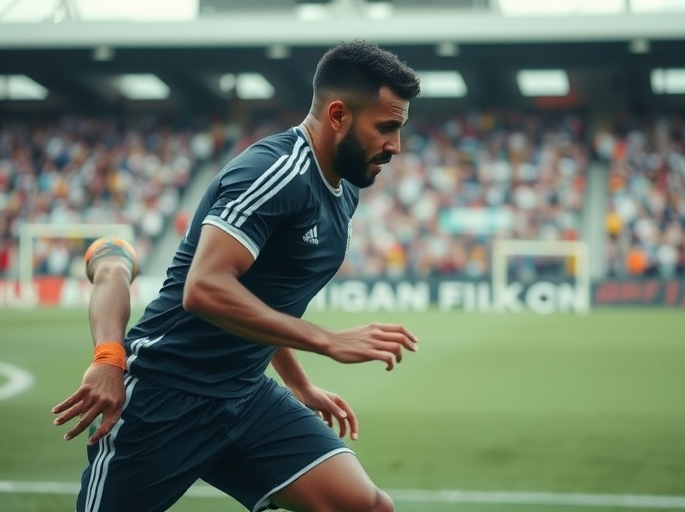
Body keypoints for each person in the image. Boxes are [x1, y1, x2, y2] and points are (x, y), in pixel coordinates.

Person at [52, 40, 422, 512]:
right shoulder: (274, 172)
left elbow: (267, 296)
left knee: (368, 507)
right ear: (337, 115)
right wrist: (328, 340)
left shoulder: (346, 185)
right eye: (386, 128)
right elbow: (204, 289)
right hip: (167, 396)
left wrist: (299, 382)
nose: (395, 146)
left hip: (246, 395)